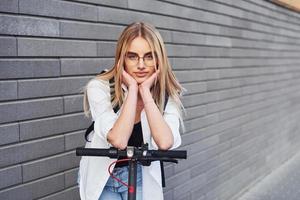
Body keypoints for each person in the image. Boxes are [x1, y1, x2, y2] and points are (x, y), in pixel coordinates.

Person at [78, 21, 185, 200]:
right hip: (104, 177)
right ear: (122, 58)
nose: (141, 65)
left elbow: (165, 142)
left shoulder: (168, 94)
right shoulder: (100, 87)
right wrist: (133, 91)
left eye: (149, 56)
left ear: (159, 59)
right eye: (133, 56)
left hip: (142, 176)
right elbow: (118, 139)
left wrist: (146, 93)